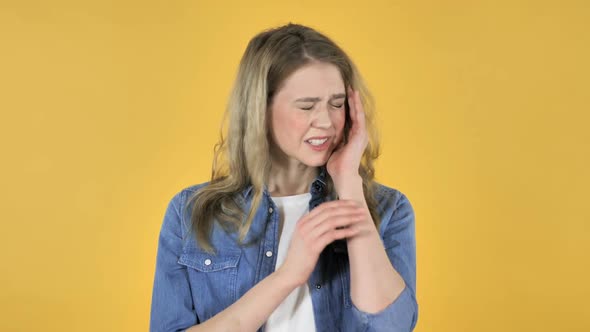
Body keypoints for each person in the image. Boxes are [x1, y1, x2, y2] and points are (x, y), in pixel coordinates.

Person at [150, 23, 418, 332]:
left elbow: (393, 327)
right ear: (260, 110)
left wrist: (349, 184)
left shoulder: (388, 209)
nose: (326, 122)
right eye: (306, 106)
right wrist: (288, 275)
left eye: (337, 103)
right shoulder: (191, 214)